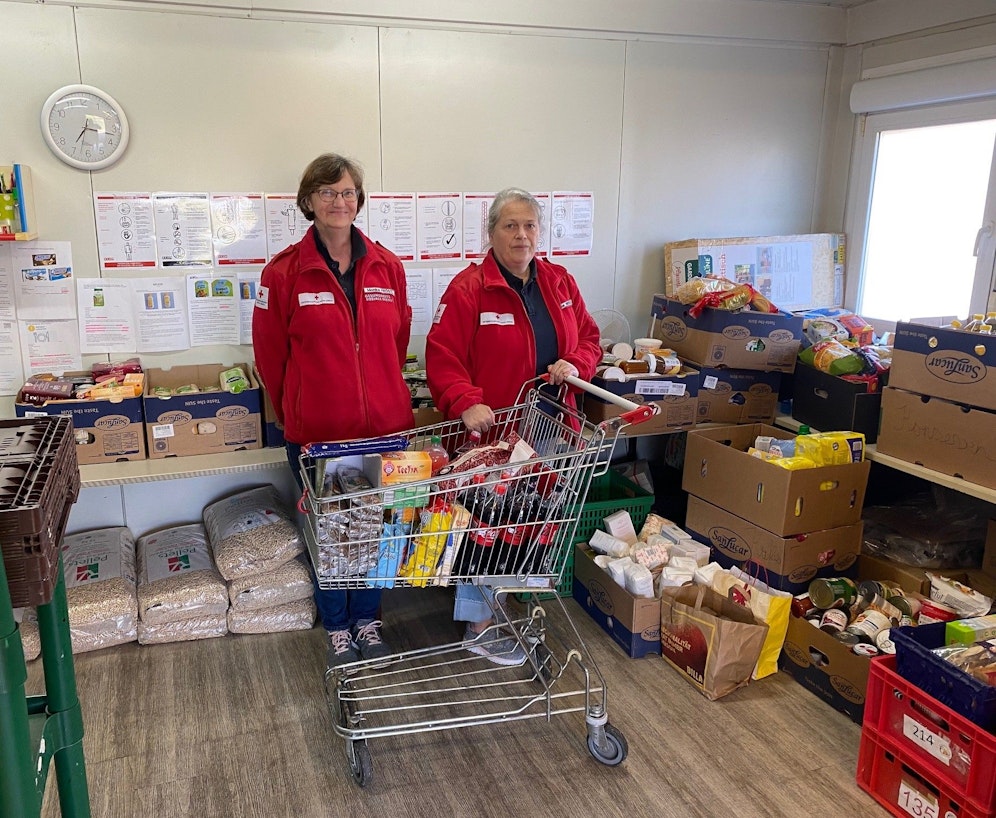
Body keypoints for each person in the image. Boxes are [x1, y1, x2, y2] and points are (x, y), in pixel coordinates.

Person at [425, 187, 601, 665]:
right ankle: (479, 625)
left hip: (547, 426)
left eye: (529, 226)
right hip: (490, 434)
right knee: (487, 526)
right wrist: (465, 401)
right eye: (510, 226)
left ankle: (500, 604)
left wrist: (576, 363)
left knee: (526, 522)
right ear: (492, 232)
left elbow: (589, 336)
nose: (521, 235)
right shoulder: (468, 289)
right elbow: (441, 356)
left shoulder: (560, 283)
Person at [252, 152, 413, 670]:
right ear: (309, 202)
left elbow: (396, 342)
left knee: (374, 531)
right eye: (328, 192)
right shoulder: (282, 274)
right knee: (330, 536)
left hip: (384, 432)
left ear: (359, 201)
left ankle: (368, 619)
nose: (339, 202)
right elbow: (270, 358)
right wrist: (291, 413)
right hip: (319, 435)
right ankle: (339, 627)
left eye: (347, 193)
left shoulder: (388, 267)